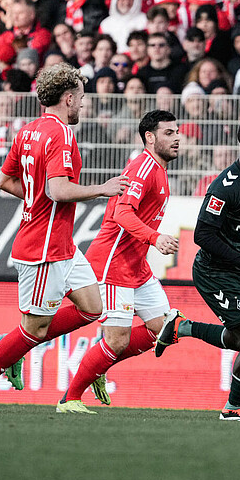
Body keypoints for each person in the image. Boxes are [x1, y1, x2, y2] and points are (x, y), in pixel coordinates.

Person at [0, 63, 129, 414]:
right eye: (80, 98)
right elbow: (59, 190)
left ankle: (17, 348)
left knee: (92, 308)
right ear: (68, 98)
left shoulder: (28, 131)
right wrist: (103, 189)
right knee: (34, 330)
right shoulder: (62, 134)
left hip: (62, 245)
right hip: (43, 248)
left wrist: (36, 199)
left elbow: (5, 181)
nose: (82, 104)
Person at [156, 115, 240, 422]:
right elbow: (202, 235)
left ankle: (181, 327)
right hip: (214, 274)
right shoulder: (225, 187)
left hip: (239, 273)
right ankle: (232, 409)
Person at [58, 110, 183, 413]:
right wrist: (155, 237)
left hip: (136, 266)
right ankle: (70, 399)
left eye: (177, 132)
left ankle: (98, 365)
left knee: (164, 330)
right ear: (149, 138)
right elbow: (122, 213)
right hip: (113, 264)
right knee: (116, 340)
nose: (177, 138)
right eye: (169, 133)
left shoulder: (158, 168)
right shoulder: (143, 167)